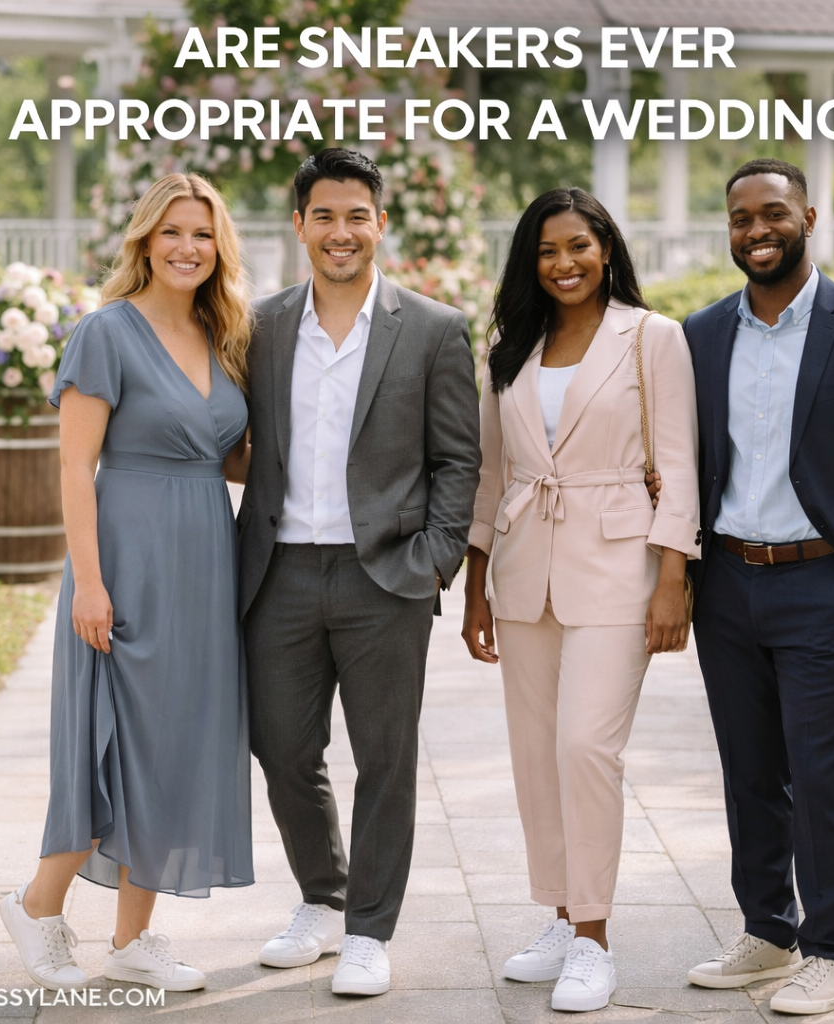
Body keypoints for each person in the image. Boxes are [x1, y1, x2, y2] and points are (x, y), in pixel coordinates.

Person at [651, 158, 834, 1015]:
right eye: (741, 219)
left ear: (808, 216)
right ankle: (768, 933)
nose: (757, 231)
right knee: (749, 772)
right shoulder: (700, 335)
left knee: (822, 776)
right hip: (731, 584)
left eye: (773, 213)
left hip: (828, 584)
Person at [0, 173, 255, 992]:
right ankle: (38, 906)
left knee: (176, 742)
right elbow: (75, 464)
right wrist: (88, 583)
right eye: (172, 231)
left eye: (203, 234)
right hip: (128, 553)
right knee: (111, 739)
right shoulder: (105, 333)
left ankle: (133, 939)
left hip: (205, 559)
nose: (188, 247)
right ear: (145, 239)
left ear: (221, 249)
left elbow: (231, 454)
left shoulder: (225, 336)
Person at [238, 148, 480, 997]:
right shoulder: (259, 327)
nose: (341, 232)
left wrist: (435, 559)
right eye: (324, 216)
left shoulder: (435, 328)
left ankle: (369, 930)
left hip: (387, 578)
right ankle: (321, 897)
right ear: (299, 225)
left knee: (386, 757)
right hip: (277, 573)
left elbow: (458, 459)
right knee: (283, 750)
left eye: (357, 216)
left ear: (381, 223)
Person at [461, 187, 701, 1013]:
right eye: (546, 251)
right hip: (524, 568)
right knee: (535, 757)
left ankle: (595, 941)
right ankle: (561, 917)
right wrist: (474, 584)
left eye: (578, 247)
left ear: (606, 249)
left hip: (620, 568)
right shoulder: (507, 347)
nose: (564, 264)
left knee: (584, 750)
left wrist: (674, 577)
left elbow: (680, 463)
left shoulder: (652, 338)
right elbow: (493, 474)